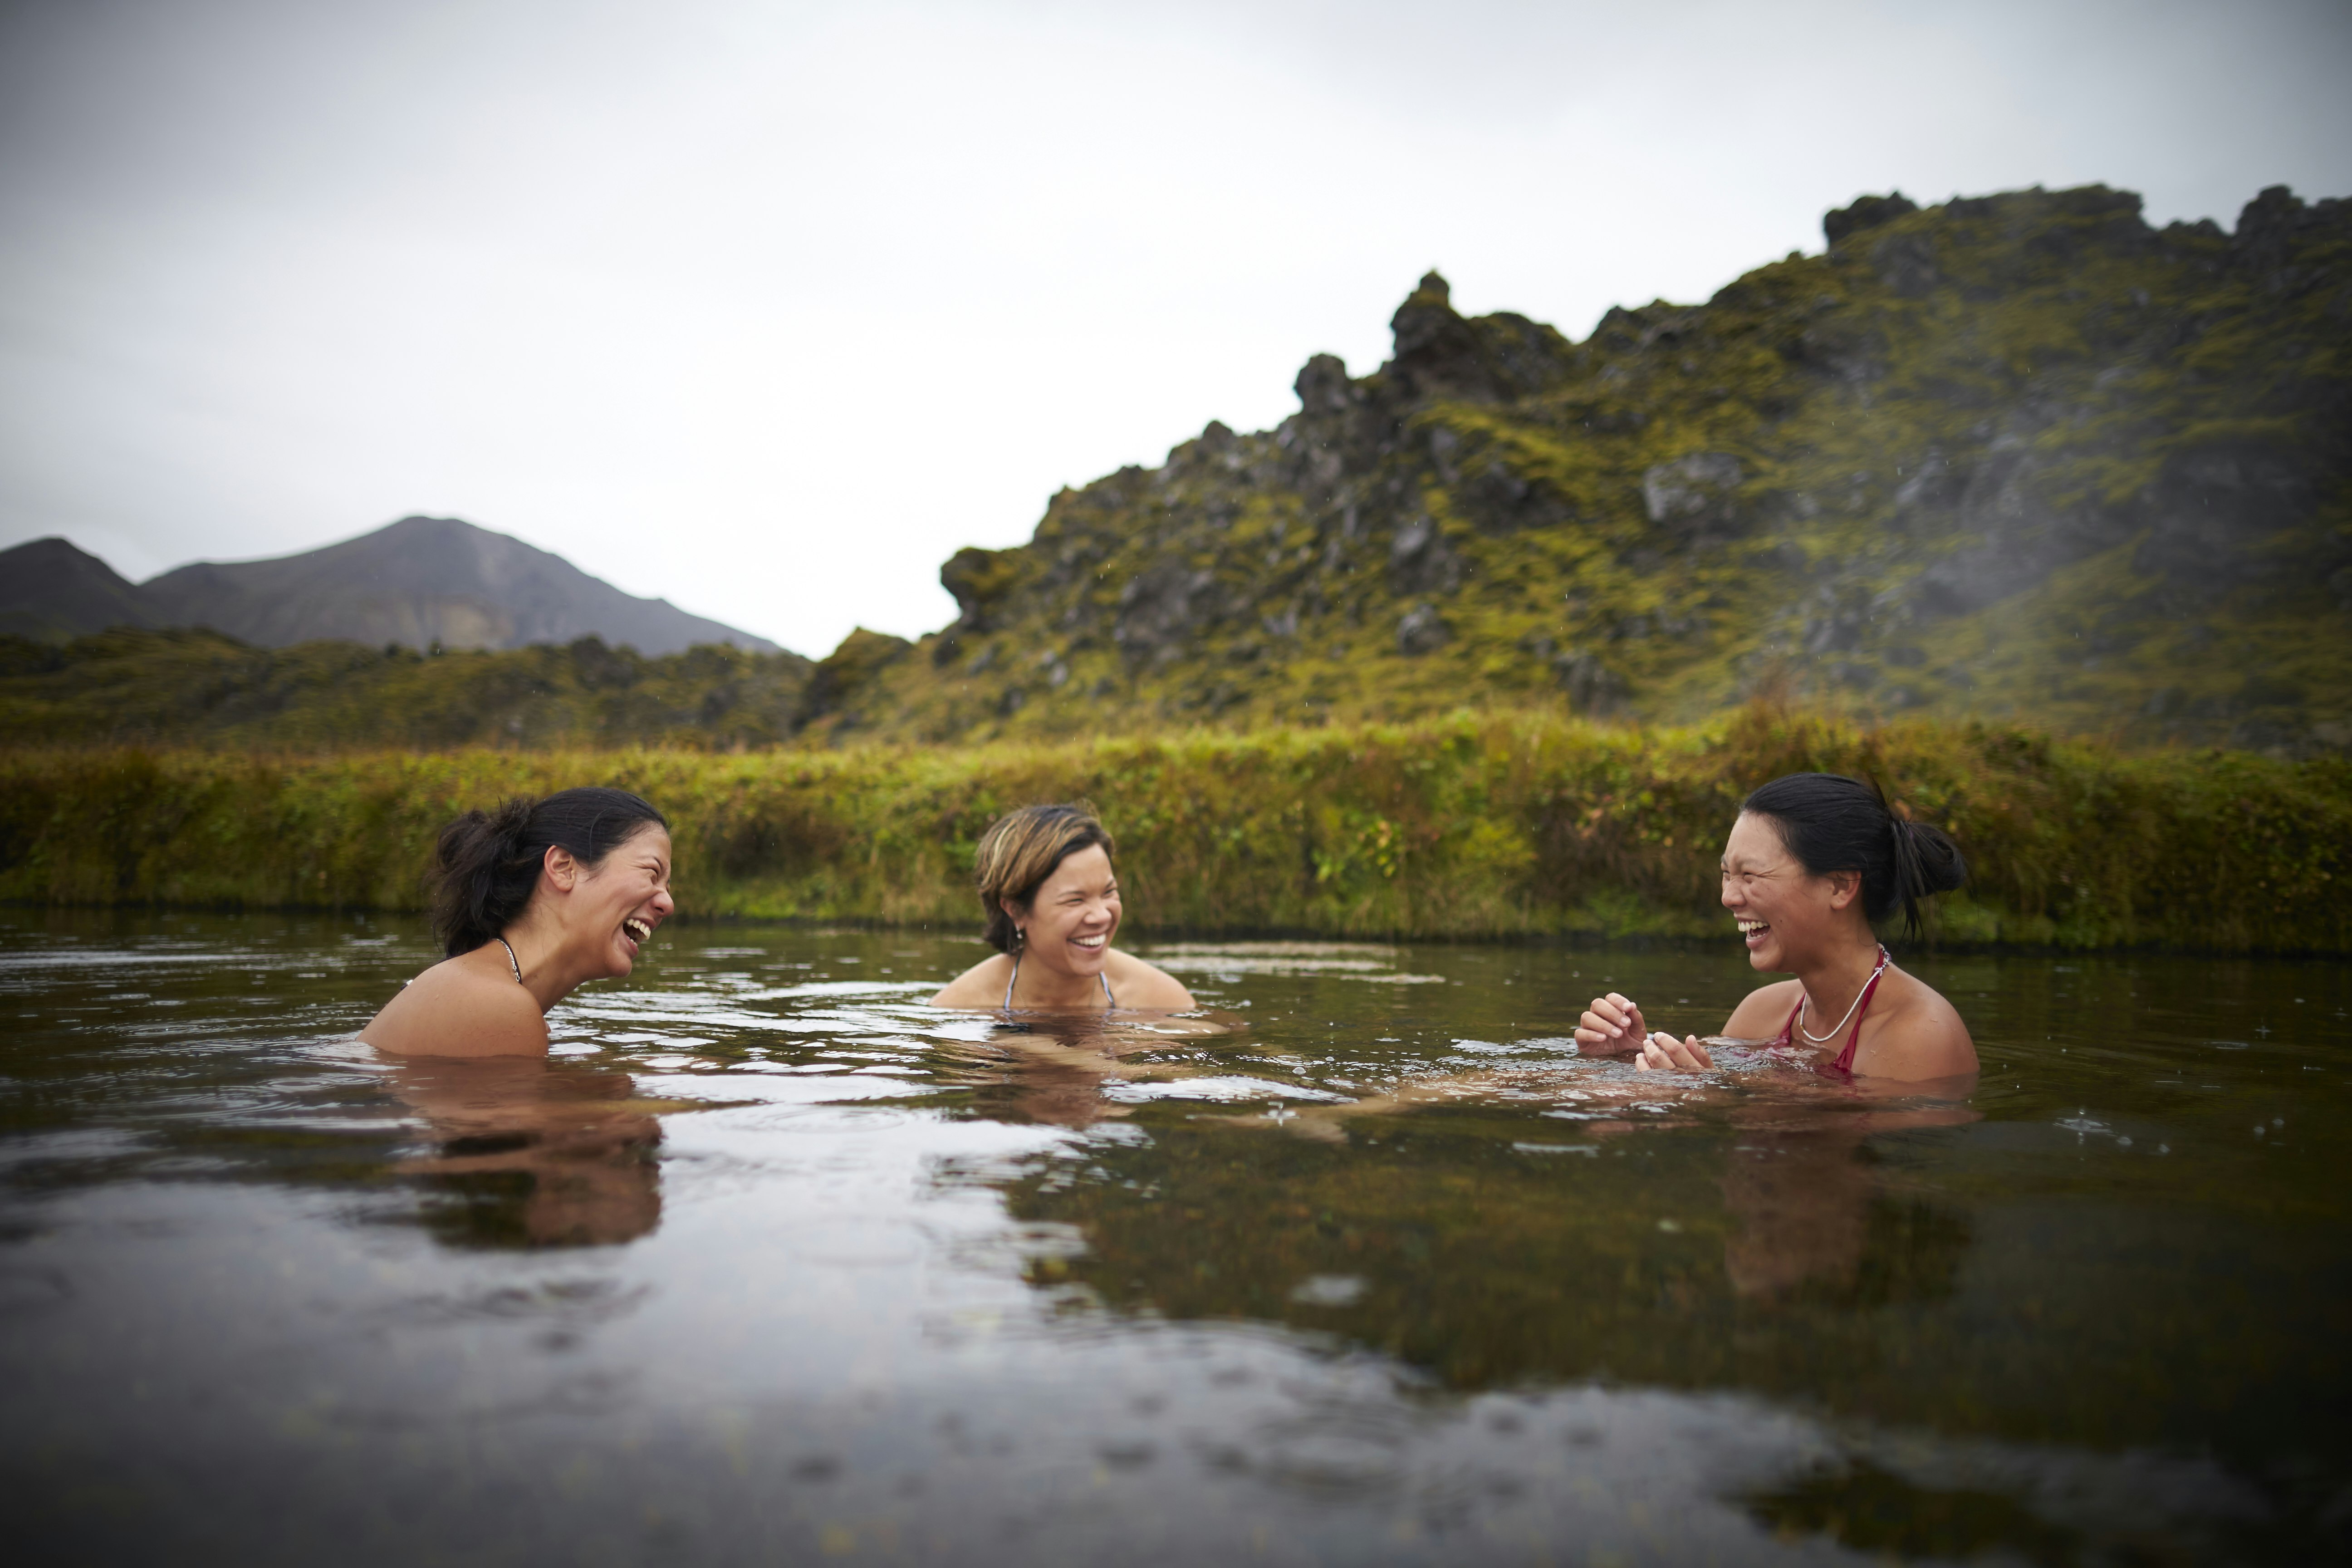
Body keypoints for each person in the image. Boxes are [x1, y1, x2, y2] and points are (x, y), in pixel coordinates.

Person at [1576, 773, 1976, 1081]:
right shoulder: (1761, 1012)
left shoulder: (1922, 1035)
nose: (1728, 897)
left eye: (1750, 875)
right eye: (1726, 874)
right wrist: (1627, 1059)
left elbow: (1850, 1158)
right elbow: (1695, 1081)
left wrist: (1714, 1098)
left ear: (1840, 885)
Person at [361, 787, 674, 1057]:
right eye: (652, 874)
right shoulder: (495, 1006)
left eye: (668, 888)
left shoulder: (494, 997)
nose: (668, 904)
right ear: (563, 868)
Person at [928, 803, 1194, 1011]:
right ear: (1016, 910)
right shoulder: (962, 1007)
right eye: (1075, 900)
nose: (1102, 916)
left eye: (1109, 892)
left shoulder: (1161, 1001)